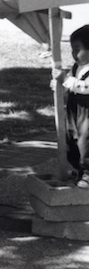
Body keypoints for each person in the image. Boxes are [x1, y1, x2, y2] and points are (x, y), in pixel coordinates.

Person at [53, 25, 89, 188]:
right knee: (71, 138)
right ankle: (78, 168)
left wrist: (67, 80)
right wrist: (61, 86)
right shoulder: (77, 67)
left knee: (85, 140)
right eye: (72, 50)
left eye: (77, 49)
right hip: (74, 111)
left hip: (87, 113)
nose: (74, 54)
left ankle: (88, 172)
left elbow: (85, 87)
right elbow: (72, 86)